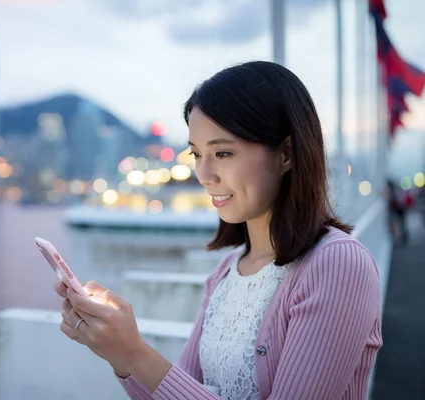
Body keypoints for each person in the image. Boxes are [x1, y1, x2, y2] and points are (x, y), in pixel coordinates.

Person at [54, 61, 382, 399]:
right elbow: (184, 389)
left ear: (285, 153)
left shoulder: (337, 264)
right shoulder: (228, 272)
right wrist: (119, 354)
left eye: (222, 152)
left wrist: (135, 353)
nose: (203, 174)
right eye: (197, 154)